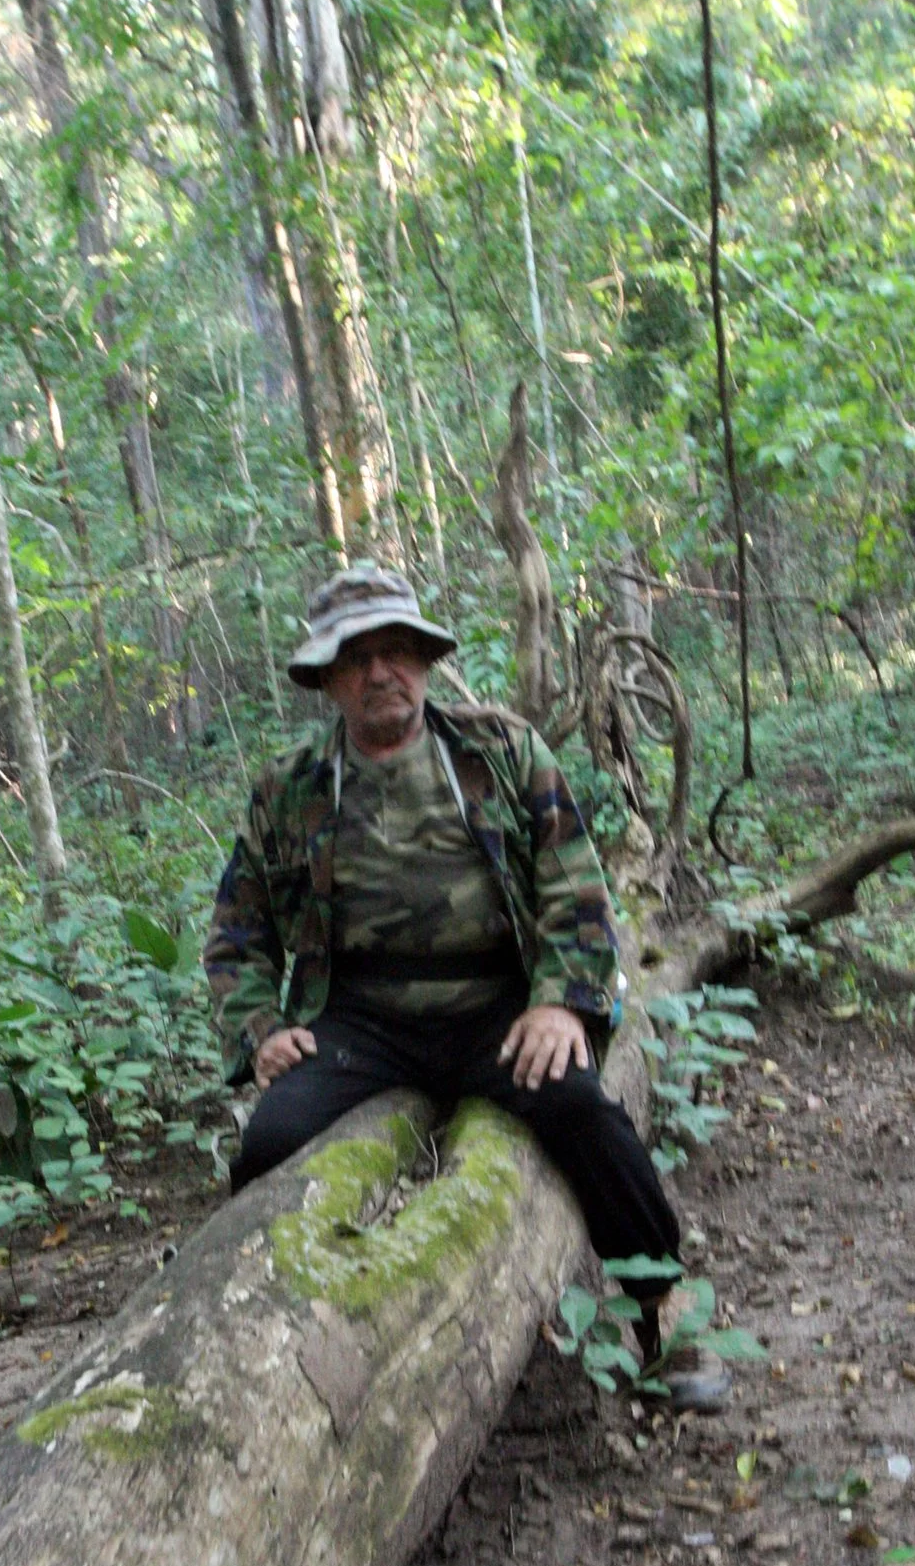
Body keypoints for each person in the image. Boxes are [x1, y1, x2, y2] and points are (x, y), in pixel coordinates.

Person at [205, 561, 683, 1346]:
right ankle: (275, 1334)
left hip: (498, 1004)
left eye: (396, 650)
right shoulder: (291, 788)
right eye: (356, 657)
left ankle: (661, 1306)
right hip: (359, 1021)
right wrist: (260, 1026)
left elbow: (576, 889)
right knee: (270, 1146)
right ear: (328, 679)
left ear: (425, 661)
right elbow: (236, 929)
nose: (379, 672)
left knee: (582, 1110)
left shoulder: (500, 751)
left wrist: (560, 1001)